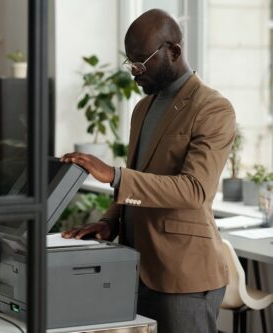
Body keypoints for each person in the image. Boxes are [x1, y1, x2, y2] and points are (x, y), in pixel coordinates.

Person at [61, 9, 235, 333]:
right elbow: (139, 176)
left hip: (183, 277)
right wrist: (108, 222)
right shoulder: (142, 108)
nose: (134, 71)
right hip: (136, 267)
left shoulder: (212, 107)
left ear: (174, 51)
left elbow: (194, 190)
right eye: (130, 62)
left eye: (142, 60)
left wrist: (114, 175)